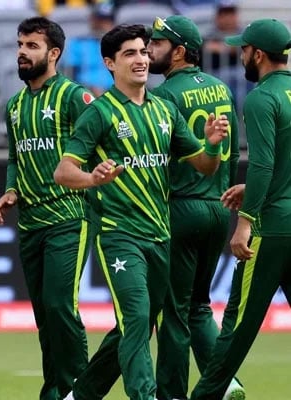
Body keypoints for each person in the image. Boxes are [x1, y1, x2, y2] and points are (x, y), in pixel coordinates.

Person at [53, 24, 228, 400]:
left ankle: (81, 394)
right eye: (130, 54)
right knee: (135, 320)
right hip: (119, 235)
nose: (141, 59)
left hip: (160, 234)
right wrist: (93, 179)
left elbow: (203, 166)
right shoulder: (99, 113)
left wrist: (211, 146)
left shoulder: (165, 110)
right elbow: (64, 172)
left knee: (140, 323)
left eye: (144, 52)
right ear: (109, 64)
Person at [0, 16, 93, 400]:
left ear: (54, 53)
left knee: (59, 304)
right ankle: (54, 388)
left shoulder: (74, 96)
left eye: (32, 46)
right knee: (44, 314)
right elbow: (15, 157)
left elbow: (100, 144)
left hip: (69, 215)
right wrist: (11, 189)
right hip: (30, 221)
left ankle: (78, 389)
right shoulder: (15, 105)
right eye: (20, 44)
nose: (22, 52)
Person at [190, 18, 291, 400]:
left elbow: (264, 164)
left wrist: (245, 221)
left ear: (259, 55)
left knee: (235, 327)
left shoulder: (262, 98)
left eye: (244, 50)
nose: (240, 55)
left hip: (271, 228)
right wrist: (255, 188)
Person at [146, 15, 245, 400]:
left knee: (173, 312)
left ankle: (171, 395)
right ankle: (226, 382)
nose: (150, 50)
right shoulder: (221, 88)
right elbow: (232, 150)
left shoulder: (165, 96)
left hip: (180, 207)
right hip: (218, 208)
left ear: (180, 51)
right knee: (200, 306)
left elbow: (157, 158)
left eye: (157, 44)